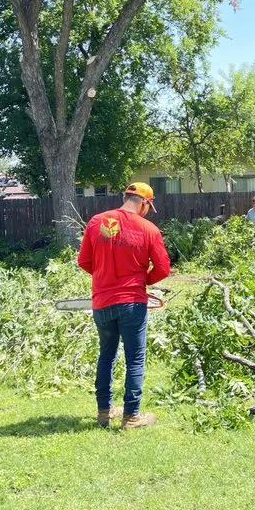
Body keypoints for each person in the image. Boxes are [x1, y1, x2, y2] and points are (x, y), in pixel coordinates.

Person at [77, 182, 170, 430]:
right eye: (149, 207)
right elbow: (163, 268)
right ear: (145, 203)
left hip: (102, 302)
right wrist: (142, 281)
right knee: (135, 359)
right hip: (132, 303)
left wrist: (104, 276)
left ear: (125, 197)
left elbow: (84, 261)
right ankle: (131, 416)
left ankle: (104, 412)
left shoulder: (97, 222)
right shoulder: (148, 229)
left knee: (106, 356)